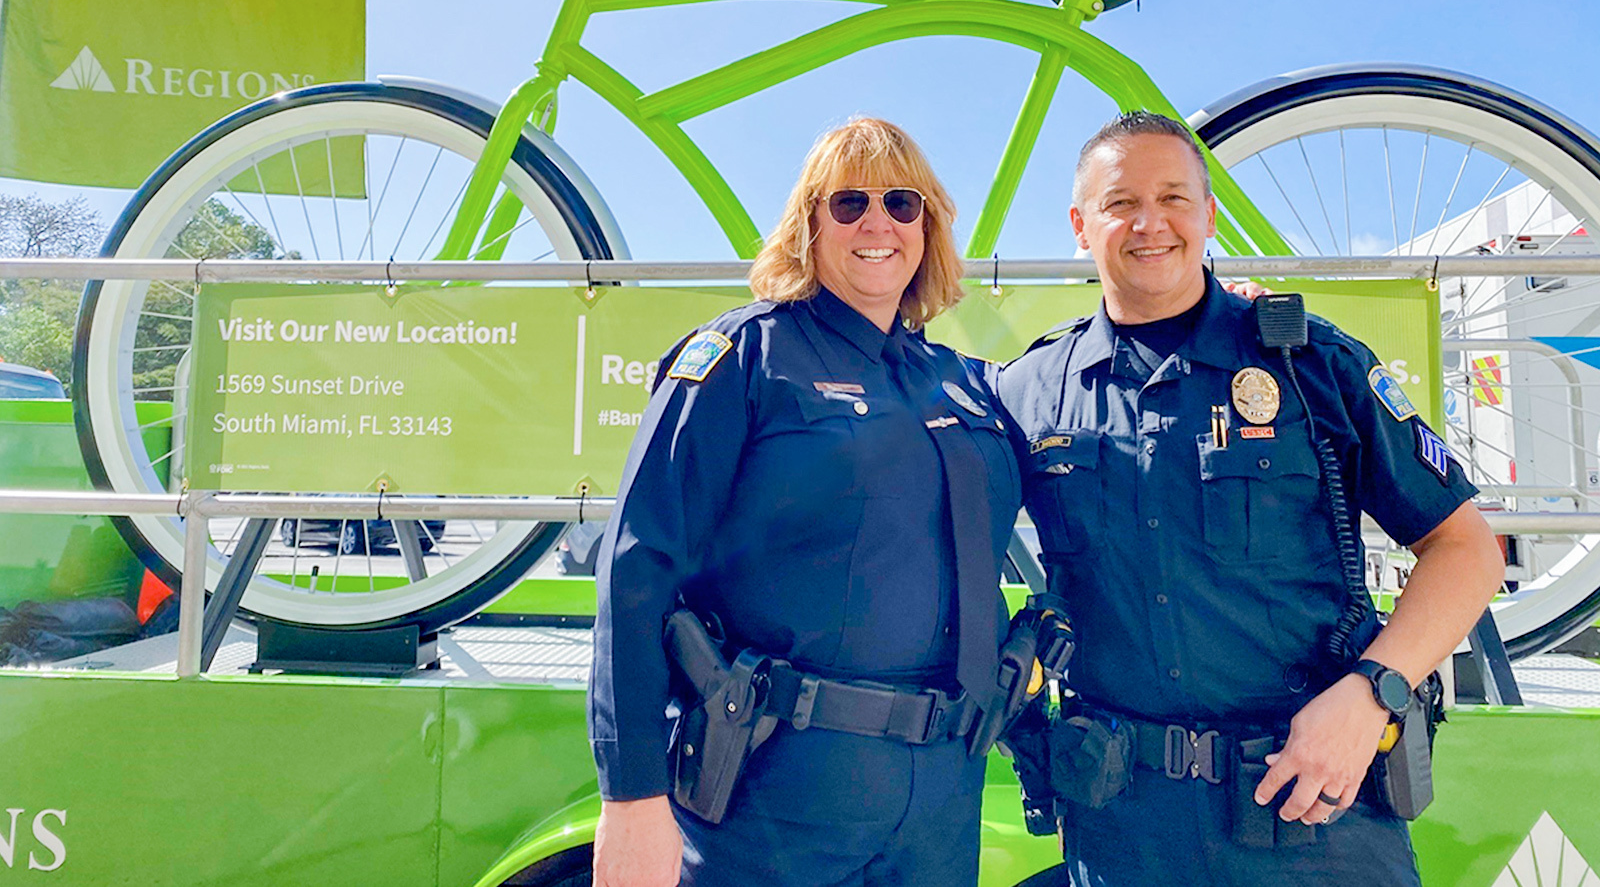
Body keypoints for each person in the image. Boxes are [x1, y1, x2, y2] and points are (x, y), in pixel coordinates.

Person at [995, 111, 1504, 885]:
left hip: (1312, 811)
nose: (1149, 222)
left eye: (1173, 197)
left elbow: (1466, 549)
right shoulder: (1033, 390)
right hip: (1125, 828)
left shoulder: (1309, 364)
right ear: (1080, 222)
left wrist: (1374, 694)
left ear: (1208, 214)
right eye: (1120, 201)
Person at [588, 117, 1022, 887]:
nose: (877, 222)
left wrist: (1217, 313)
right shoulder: (742, 357)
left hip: (939, 802)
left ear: (928, 224)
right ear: (809, 224)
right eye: (848, 202)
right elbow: (636, 571)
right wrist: (631, 796)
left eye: (901, 201)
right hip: (778, 796)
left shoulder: (964, 381)